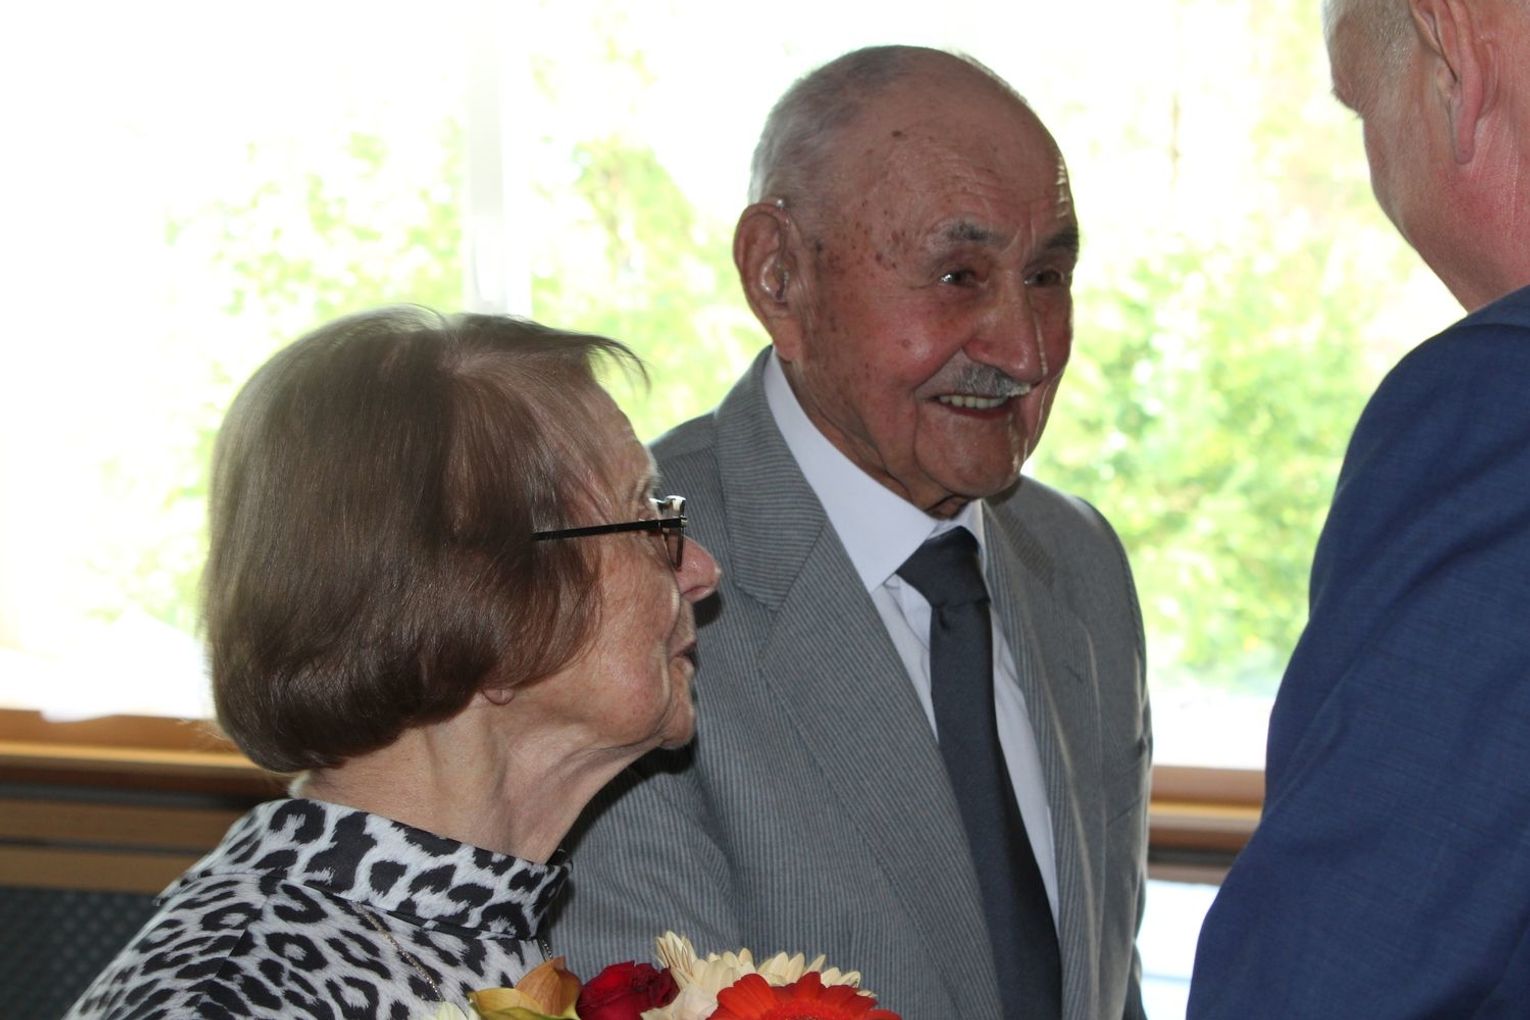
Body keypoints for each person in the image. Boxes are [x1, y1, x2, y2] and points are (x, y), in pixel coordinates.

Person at [555, 46, 1151, 1020]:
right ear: (778, 276)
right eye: (959, 275)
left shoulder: (1080, 562)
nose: (1026, 350)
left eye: (1048, 275)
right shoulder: (622, 582)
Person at [65, 308, 720, 1018]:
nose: (702, 572)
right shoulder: (239, 998)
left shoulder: (452, 928)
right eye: (645, 518)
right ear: (490, 610)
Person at [1188, 1, 1530, 1015]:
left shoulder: (1497, 403)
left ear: (1452, 52)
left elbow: (1338, 970)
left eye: (1359, 104)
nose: (1375, 163)